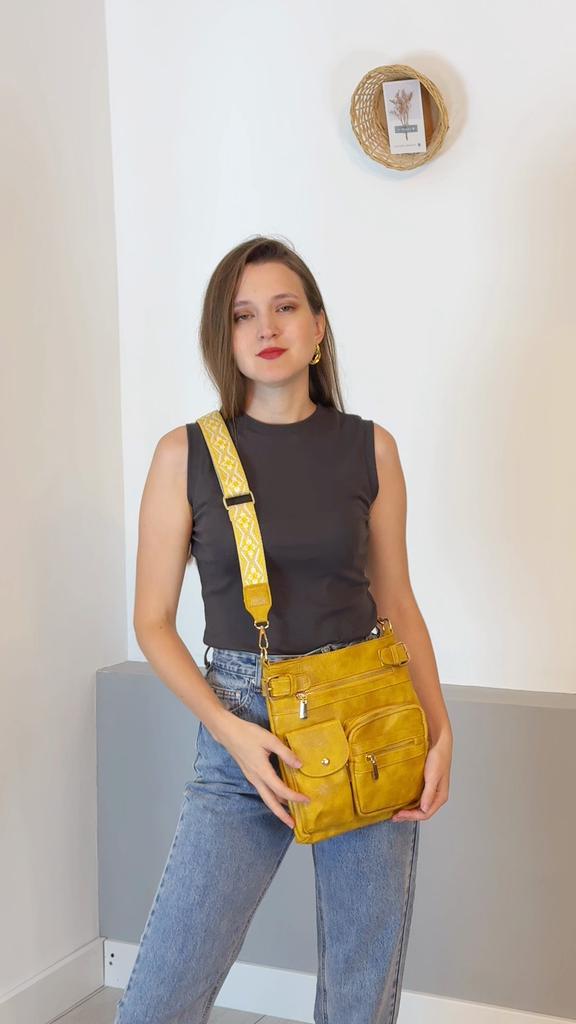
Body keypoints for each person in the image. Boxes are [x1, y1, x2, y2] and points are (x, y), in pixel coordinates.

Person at [113, 235, 453, 1024]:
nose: (266, 327)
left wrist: (440, 733)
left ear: (318, 326)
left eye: (285, 307)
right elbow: (151, 622)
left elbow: (397, 602)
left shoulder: (370, 448)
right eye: (242, 315)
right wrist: (229, 730)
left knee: (360, 997)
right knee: (160, 996)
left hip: (367, 717)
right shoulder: (185, 454)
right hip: (243, 724)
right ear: (223, 337)